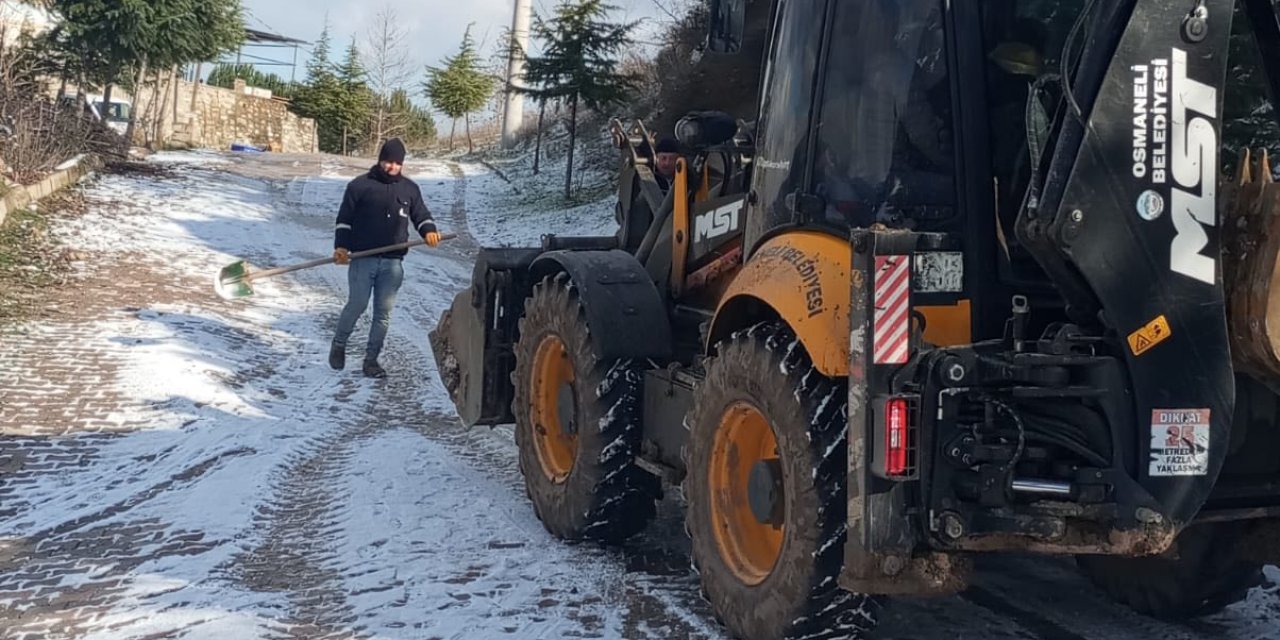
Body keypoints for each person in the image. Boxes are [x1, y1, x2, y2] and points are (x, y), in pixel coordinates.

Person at [329, 138, 441, 378]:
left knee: (383, 313)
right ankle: (339, 343)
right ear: (380, 160)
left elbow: (421, 215)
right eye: (387, 161)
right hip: (363, 258)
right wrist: (341, 247)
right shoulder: (359, 186)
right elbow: (344, 220)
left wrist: (429, 231)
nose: (392, 167)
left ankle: (371, 361)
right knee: (357, 304)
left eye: (397, 163)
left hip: (392, 263)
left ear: (402, 164)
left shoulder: (409, 189)